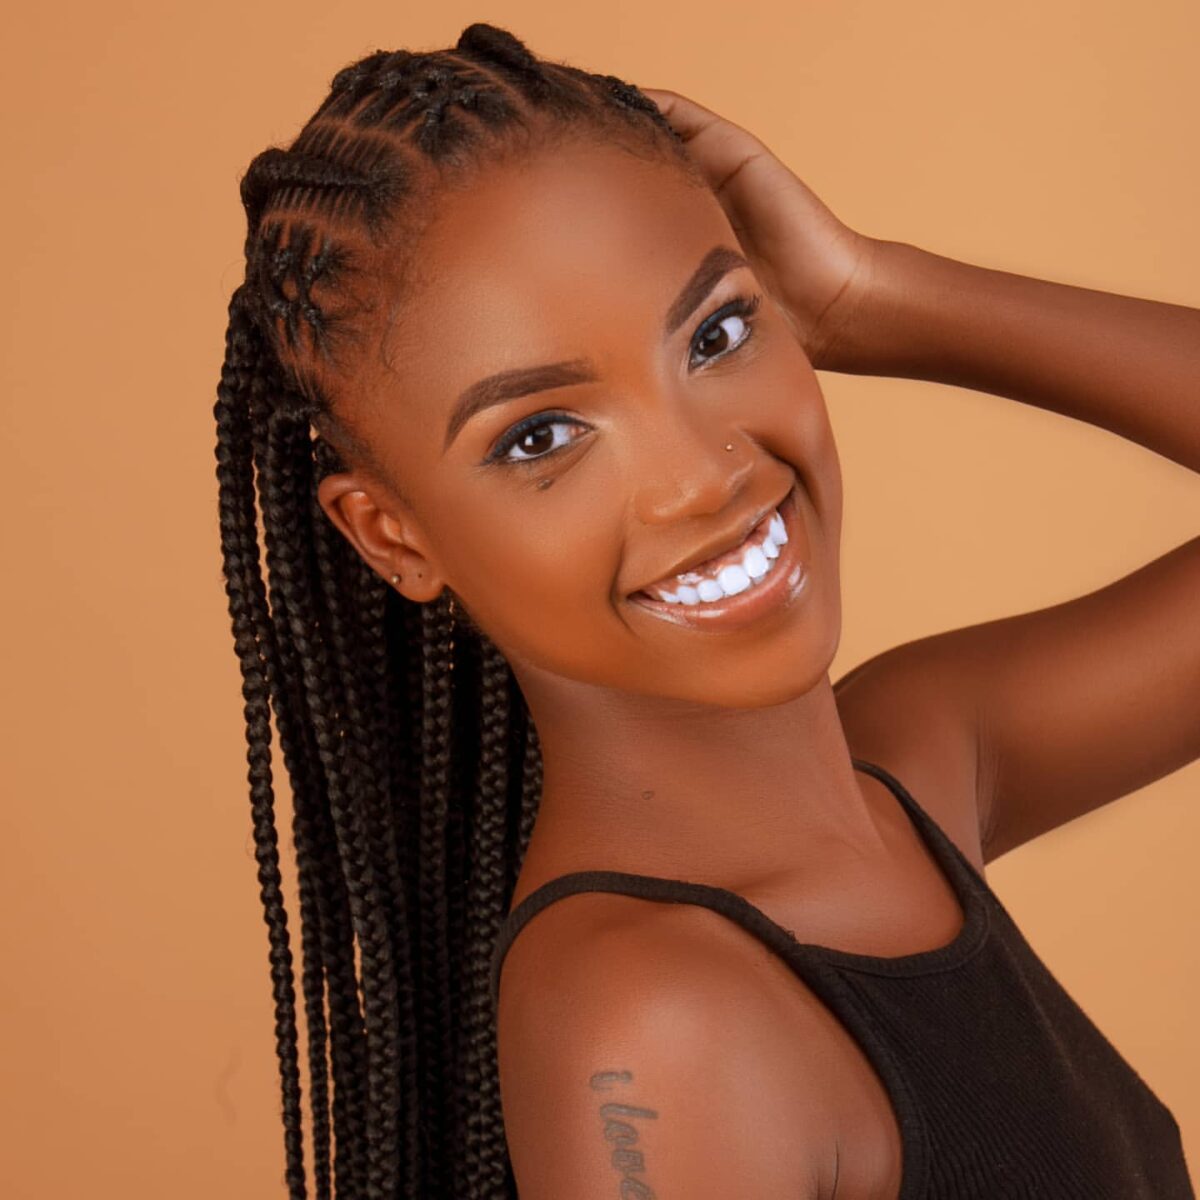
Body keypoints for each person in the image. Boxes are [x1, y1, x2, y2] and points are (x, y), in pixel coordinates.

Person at [212, 21, 1199, 1200]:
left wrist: (873, 290)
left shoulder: (916, 764)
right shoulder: (658, 1030)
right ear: (393, 535)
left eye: (717, 332)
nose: (701, 477)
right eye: (541, 437)